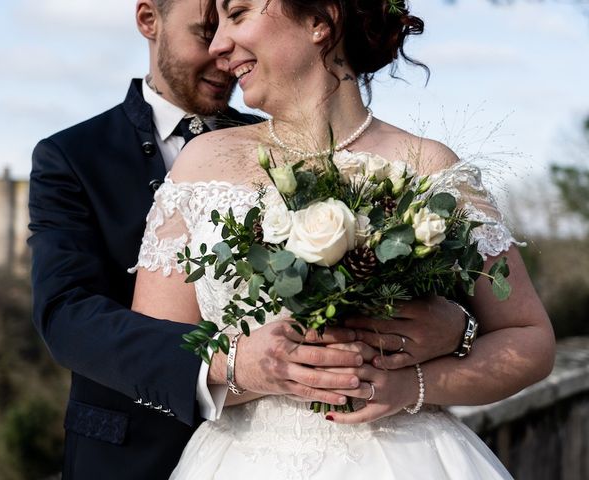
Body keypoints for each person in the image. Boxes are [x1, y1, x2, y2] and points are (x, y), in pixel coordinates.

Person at [28, 0, 467, 478]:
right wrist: (230, 365)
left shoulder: (285, 138)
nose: (222, 52)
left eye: (235, 19)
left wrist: (458, 328)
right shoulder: (74, 155)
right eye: (206, 31)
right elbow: (67, 315)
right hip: (140, 452)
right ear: (148, 21)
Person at [130, 0, 556, 478]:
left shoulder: (430, 168)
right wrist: (243, 368)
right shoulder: (200, 166)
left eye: (239, 13)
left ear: (319, 20)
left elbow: (530, 340)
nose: (218, 45)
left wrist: (415, 382)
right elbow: (149, 350)